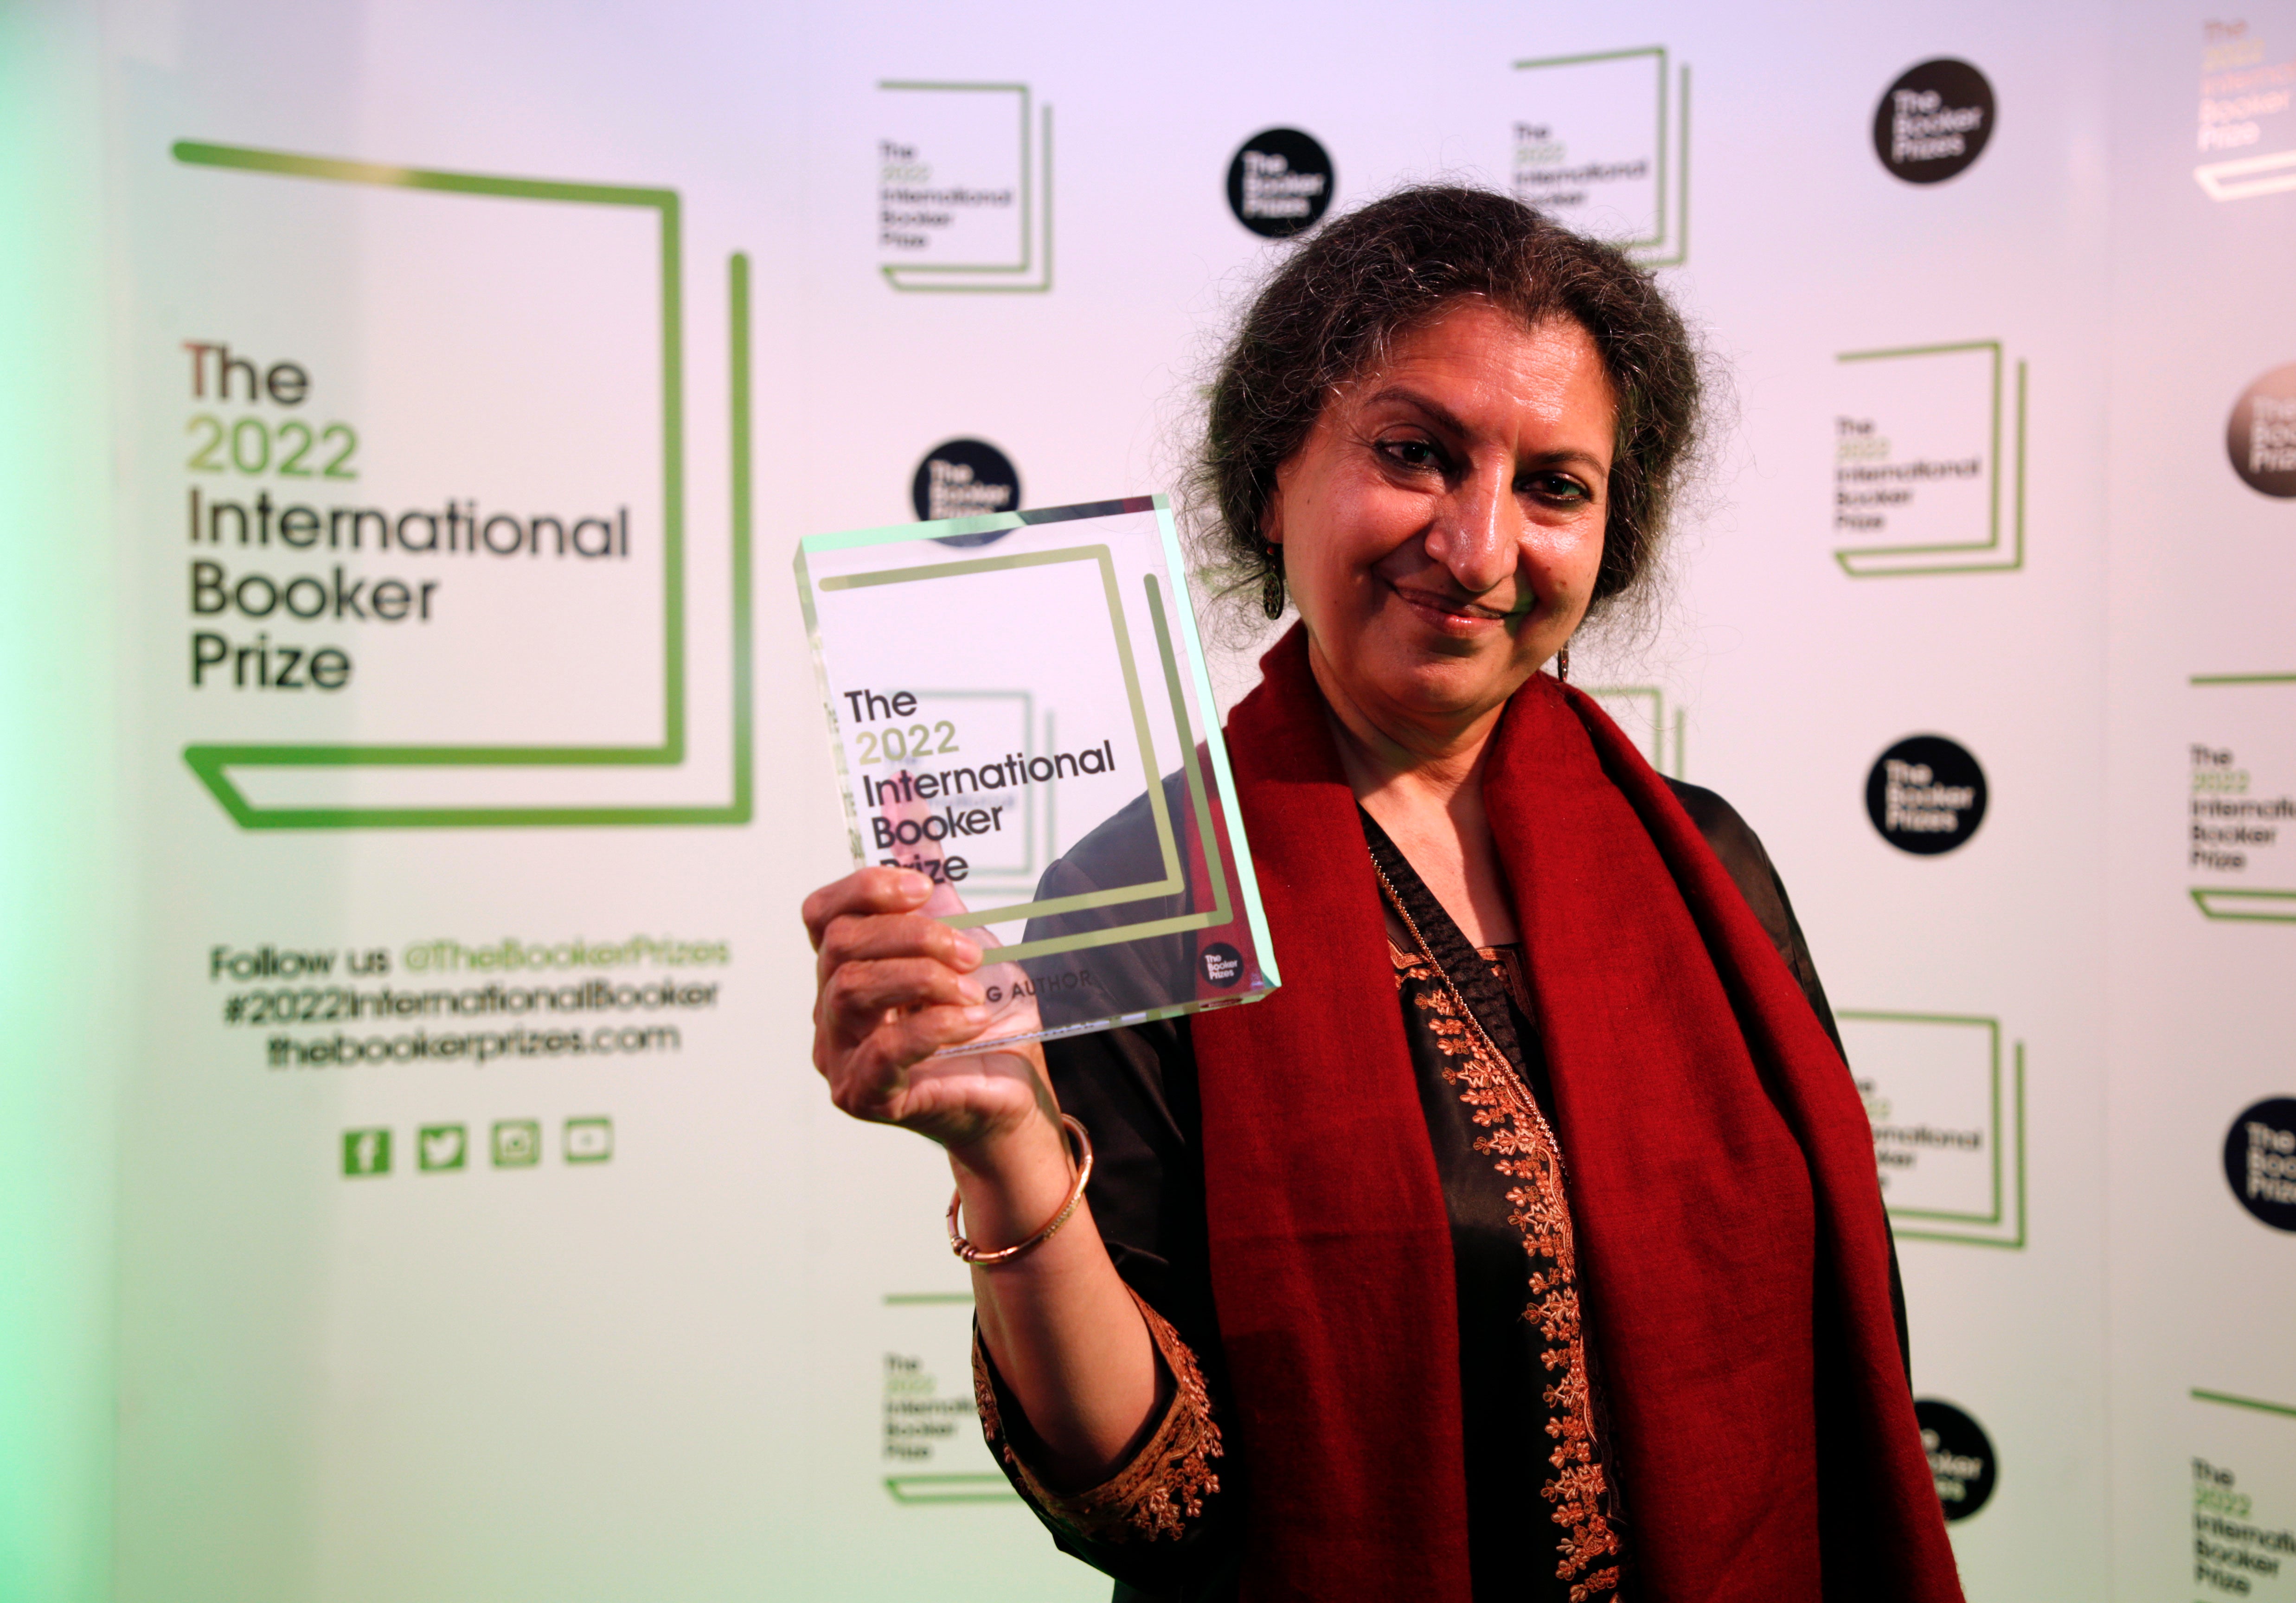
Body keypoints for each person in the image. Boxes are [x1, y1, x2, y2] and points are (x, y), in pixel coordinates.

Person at [805, 186, 1964, 1603]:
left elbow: (1841, 1366)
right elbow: (1149, 1500)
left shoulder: (1705, 866)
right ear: (1277, 468)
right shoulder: (1144, 894)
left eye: (1555, 486)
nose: (1477, 548)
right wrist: (1005, 1155)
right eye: (1415, 454)